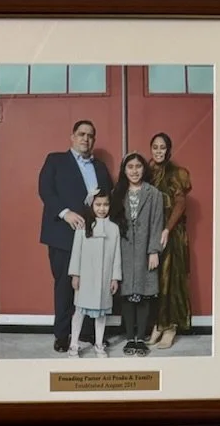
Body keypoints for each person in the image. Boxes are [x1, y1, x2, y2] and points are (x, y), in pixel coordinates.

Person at [38, 120, 113, 353]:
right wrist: (65, 213)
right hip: (63, 235)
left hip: (93, 238)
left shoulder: (100, 167)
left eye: (90, 135)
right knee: (65, 286)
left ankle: (89, 334)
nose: (85, 139)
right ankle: (62, 336)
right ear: (72, 137)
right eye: (81, 134)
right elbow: (45, 190)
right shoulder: (55, 160)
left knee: (92, 284)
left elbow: (109, 197)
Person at [113, 152, 164, 354]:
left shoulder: (154, 194)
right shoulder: (117, 193)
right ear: (124, 171)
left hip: (144, 251)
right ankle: (129, 338)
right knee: (127, 294)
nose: (134, 171)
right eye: (130, 167)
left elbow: (157, 223)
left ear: (144, 169)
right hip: (123, 251)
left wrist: (154, 251)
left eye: (138, 166)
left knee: (143, 293)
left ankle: (140, 337)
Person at [148, 131, 193, 348]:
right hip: (151, 232)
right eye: (155, 147)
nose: (158, 151)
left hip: (172, 234)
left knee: (170, 279)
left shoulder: (177, 173)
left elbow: (180, 203)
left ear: (169, 150)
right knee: (154, 280)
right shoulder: (146, 171)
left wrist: (167, 228)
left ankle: (171, 326)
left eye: (162, 147)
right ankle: (158, 323)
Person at [66, 190, 122, 356]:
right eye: (98, 205)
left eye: (105, 205)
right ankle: (74, 344)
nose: (102, 208)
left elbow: (117, 255)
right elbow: (76, 252)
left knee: (101, 313)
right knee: (79, 311)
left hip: (104, 278)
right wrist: (75, 275)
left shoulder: (114, 228)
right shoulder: (84, 226)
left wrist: (115, 278)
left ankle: (99, 344)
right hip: (86, 276)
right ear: (91, 205)